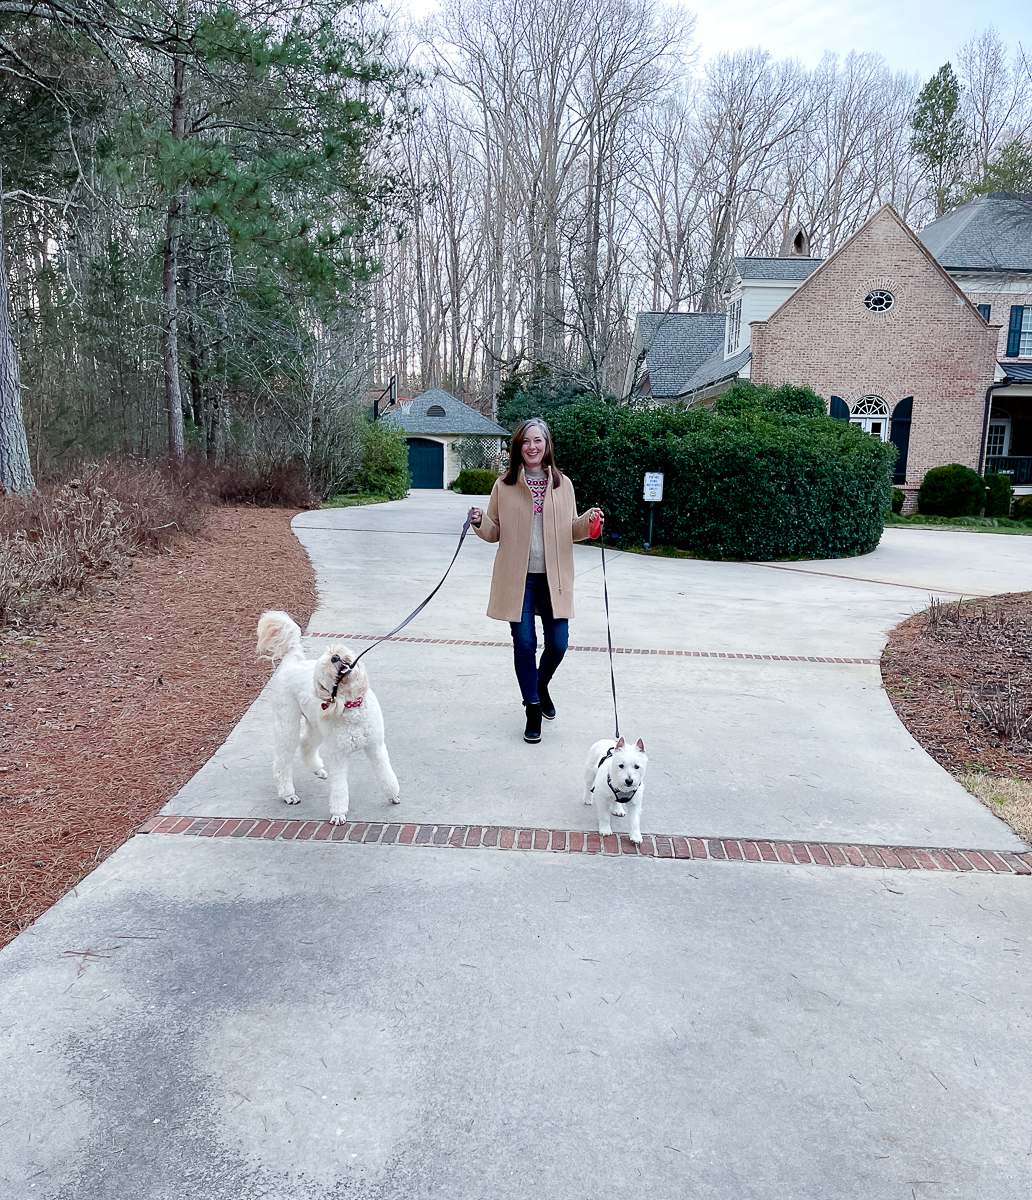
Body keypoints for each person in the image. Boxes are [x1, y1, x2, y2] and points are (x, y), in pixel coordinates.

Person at [469, 417, 603, 744]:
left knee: (558, 644)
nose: (532, 446)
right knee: (525, 643)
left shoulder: (563, 484)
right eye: (526, 441)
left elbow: (572, 528)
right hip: (519, 580)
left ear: (547, 446)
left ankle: (540, 685)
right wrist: (480, 521)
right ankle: (532, 706)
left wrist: (589, 521)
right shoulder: (504, 485)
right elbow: (495, 531)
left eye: (538, 441)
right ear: (519, 446)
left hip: (554, 578)